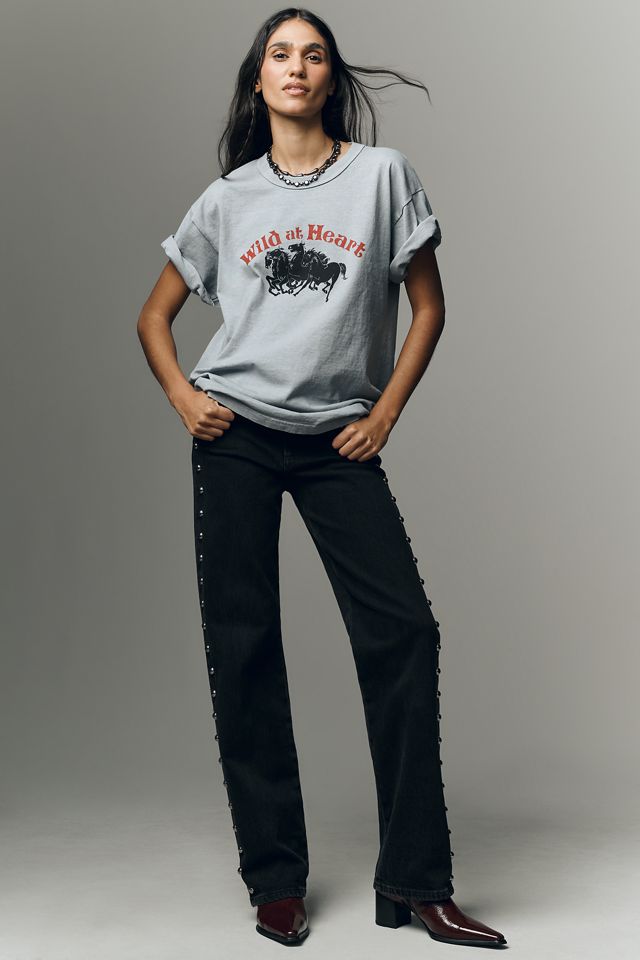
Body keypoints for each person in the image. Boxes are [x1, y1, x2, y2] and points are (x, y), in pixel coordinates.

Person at [137, 6, 507, 950]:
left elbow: (428, 307)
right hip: (237, 435)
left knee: (403, 631)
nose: (296, 67)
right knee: (245, 645)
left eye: (313, 55)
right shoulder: (228, 199)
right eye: (280, 54)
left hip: (337, 438)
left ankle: (416, 883)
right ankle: (275, 880)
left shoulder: (382, 177)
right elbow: (154, 317)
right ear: (258, 80)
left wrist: (385, 414)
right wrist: (184, 397)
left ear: (331, 78)